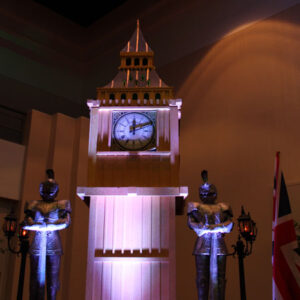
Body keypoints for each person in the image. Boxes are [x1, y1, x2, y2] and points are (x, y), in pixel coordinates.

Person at [24, 169, 71, 300]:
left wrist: (45, 226)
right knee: (35, 280)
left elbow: (66, 222)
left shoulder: (61, 204)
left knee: (53, 281)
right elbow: (26, 222)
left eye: (51, 189)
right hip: (38, 244)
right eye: (45, 188)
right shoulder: (33, 204)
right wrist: (42, 226)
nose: (48, 191)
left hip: (53, 244)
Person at [187, 170, 233, 300]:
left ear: (216, 193)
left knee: (220, 279)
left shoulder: (224, 206)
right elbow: (192, 223)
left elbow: (229, 225)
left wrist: (214, 228)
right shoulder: (194, 206)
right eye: (204, 194)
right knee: (202, 279)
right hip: (203, 245)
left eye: (210, 193)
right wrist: (208, 228)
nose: (207, 196)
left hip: (219, 244)